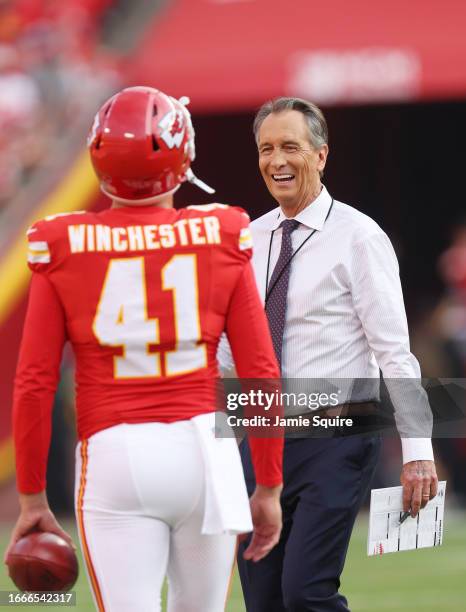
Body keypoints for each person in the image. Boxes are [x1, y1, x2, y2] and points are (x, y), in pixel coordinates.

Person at [5, 86, 284, 612]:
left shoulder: (61, 242)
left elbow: (35, 381)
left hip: (116, 453)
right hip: (206, 452)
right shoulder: (222, 231)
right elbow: (260, 371)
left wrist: (31, 496)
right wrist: (269, 483)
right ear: (183, 157)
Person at [218, 97, 438, 611]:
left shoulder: (360, 237)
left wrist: (418, 452)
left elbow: (395, 353)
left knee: (306, 591)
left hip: (335, 436)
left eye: (290, 146)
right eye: (266, 149)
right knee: (263, 600)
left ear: (321, 155)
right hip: (260, 439)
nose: (277, 161)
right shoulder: (248, 239)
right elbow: (230, 352)